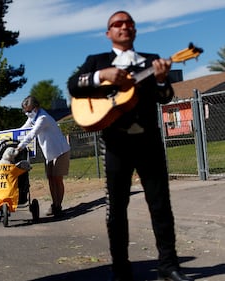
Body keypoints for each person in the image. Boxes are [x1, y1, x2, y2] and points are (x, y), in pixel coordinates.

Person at [67, 11, 193, 281]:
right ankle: (121, 269)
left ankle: (168, 266)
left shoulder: (150, 60)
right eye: (117, 24)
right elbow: (74, 86)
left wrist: (160, 79)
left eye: (129, 23)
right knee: (116, 209)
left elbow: (165, 97)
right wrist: (103, 75)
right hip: (116, 145)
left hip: (149, 142)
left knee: (160, 205)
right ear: (108, 32)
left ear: (135, 30)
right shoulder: (97, 61)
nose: (124, 27)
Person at [17, 96, 70, 217]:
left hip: (60, 151)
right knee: (51, 179)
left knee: (57, 179)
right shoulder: (33, 118)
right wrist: (11, 137)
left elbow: (32, 134)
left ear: (36, 108)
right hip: (49, 154)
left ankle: (58, 206)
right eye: (25, 111)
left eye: (29, 111)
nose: (27, 113)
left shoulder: (42, 118)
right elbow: (23, 129)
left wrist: (19, 148)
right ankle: (55, 204)